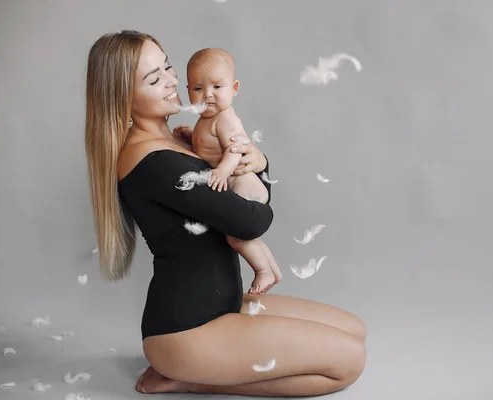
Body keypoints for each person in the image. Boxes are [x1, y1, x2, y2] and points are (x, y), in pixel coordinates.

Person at [84, 30, 366, 397]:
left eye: (168, 67)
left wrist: (259, 161)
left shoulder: (178, 140)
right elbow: (250, 220)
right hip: (187, 330)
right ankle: (190, 377)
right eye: (154, 79)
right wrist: (257, 166)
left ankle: (208, 370)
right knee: (349, 362)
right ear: (122, 96)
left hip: (227, 305)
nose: (173, 82)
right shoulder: (152, 162)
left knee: (355, 329)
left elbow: (242, 188)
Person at [184, 47, 281, 295]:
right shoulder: (205, 119)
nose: (208, 95)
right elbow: (205, 147)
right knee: (244, 236)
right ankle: (272, 268)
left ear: (234, 89)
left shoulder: (225, 118)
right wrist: (188, 136)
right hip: (239, 183)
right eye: (198, 89)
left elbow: (235, 149)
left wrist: (224, 171)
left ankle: (263, 271)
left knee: (235, 236)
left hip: (243, 182)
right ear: (188, 91)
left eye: (217, 87)